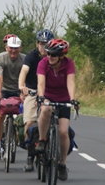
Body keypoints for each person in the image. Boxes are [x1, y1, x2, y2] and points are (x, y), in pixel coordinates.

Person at [36, 38, 79, 181]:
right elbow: (41, 83)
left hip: (63, 99)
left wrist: (72, 99)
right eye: (48, 54)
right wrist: (41, 97)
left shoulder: (69, 64)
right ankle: (42, 140)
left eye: (53, 55)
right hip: (47, 96)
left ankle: (62, 163)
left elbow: (70, 82)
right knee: (46, 109)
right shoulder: (43, 63)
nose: (50, 57)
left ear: (62, 56)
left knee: (63, 132)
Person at [18, 29, 55, 172]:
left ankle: (53, 147)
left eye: (46, 44)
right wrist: (22, 86)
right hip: (32, 92)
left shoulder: (55, 57)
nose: (43, 47)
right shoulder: (31, 56)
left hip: (50, 94)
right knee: (29, 123)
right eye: (41, 44)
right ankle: (30, 156)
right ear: (37, 44)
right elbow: (24, 71)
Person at [0, 36, 26, 159]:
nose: (13, 51)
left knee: (23, 115)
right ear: (7, 47)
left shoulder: (24, 59)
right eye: (11, 48)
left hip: (18, 89)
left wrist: (24, 92)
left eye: (16, 48)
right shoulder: (0, 58)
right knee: (0, 114)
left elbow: (26, 77)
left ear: (20, 48)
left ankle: (21, 139)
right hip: (4, 89)